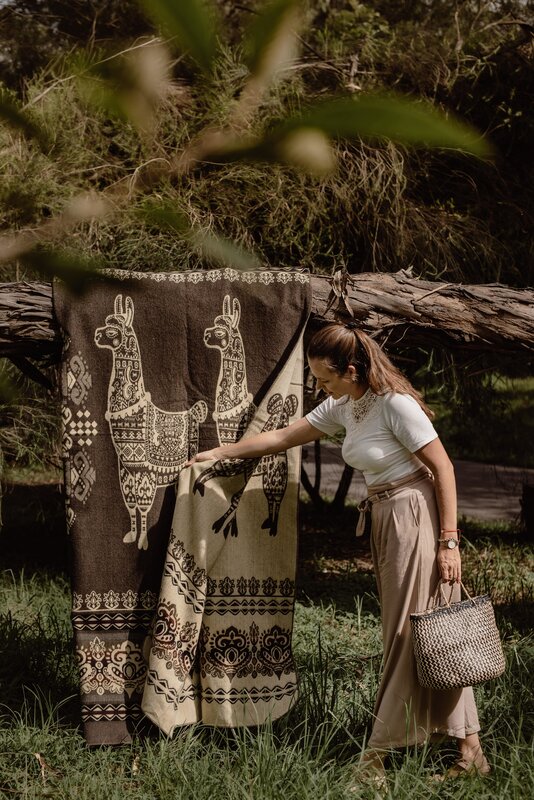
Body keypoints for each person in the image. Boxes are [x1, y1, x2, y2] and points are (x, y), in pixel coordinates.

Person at [185, 322, 489, 782]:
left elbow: (443, 468)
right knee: (425, 634)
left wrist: (449, 541)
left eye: (325, 380)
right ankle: (471, 754)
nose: (319, 387)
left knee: (411, 636)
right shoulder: (348, 404)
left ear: (352, 369)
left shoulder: (395, 405)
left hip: (415, 517)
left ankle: (376, 757)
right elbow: (284, 437)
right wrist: (221, 453)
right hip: (386, 519)